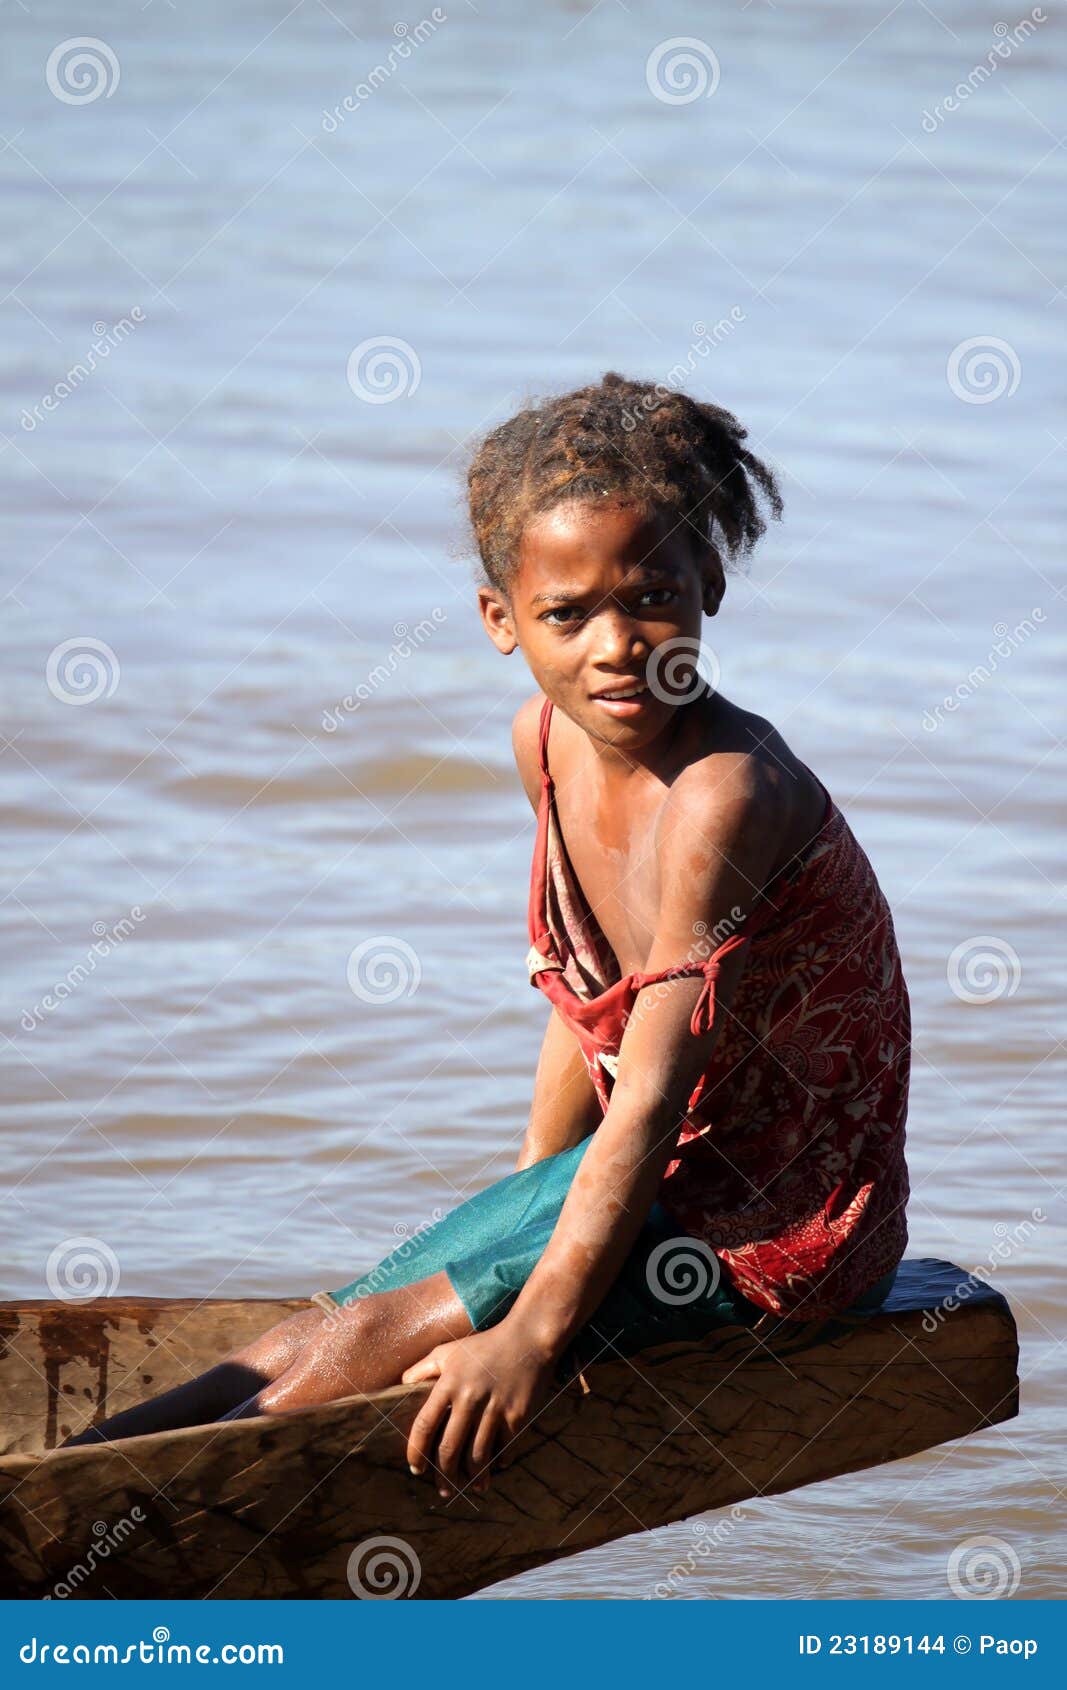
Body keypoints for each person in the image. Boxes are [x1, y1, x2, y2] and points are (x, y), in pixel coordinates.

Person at [62, 372, 910, 1504]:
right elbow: (584, 997)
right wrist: (519, 1197)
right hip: (651, 1176)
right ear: (500, 621)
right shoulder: (543, 743)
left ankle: (133, 1518)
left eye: (651, 594)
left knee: (391, 1337)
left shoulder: (724, 796)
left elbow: (652, 1094)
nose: (615, 645)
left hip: (777, 1220)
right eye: (567, 614)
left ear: (708, 580)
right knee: (339, 1319)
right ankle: (68, 1480)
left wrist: (528, 1330)